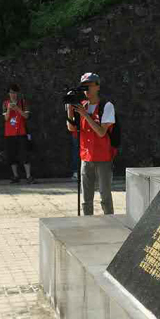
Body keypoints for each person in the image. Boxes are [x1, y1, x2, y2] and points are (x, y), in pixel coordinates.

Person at [67, 72, 116, 215]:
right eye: (84, 86)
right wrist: (69, 111)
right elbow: (71, 128)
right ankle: (86, 223)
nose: (87, 89)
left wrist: (85, 115)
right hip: (86, 157)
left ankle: (110, 222)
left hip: (103, 158)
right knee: (86, 199)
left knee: (105, 197)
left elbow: (101, 132)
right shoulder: (82, 106)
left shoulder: (106, 106)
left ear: (98, 87)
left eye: (90, 85)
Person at [3, 83, 34, 184]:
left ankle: (28, 176)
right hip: (9, 133)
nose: (13, 95)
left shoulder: (23, 102)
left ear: (18, 93)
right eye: (11, 92)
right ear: (8, 93)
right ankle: (15, 176)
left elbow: (26, 116)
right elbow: (6, 118)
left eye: (14, 92)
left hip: (22, 132)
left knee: (25, 154)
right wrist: (9, 109)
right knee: (12, 155)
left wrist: (17, 108)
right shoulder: (5, 103)